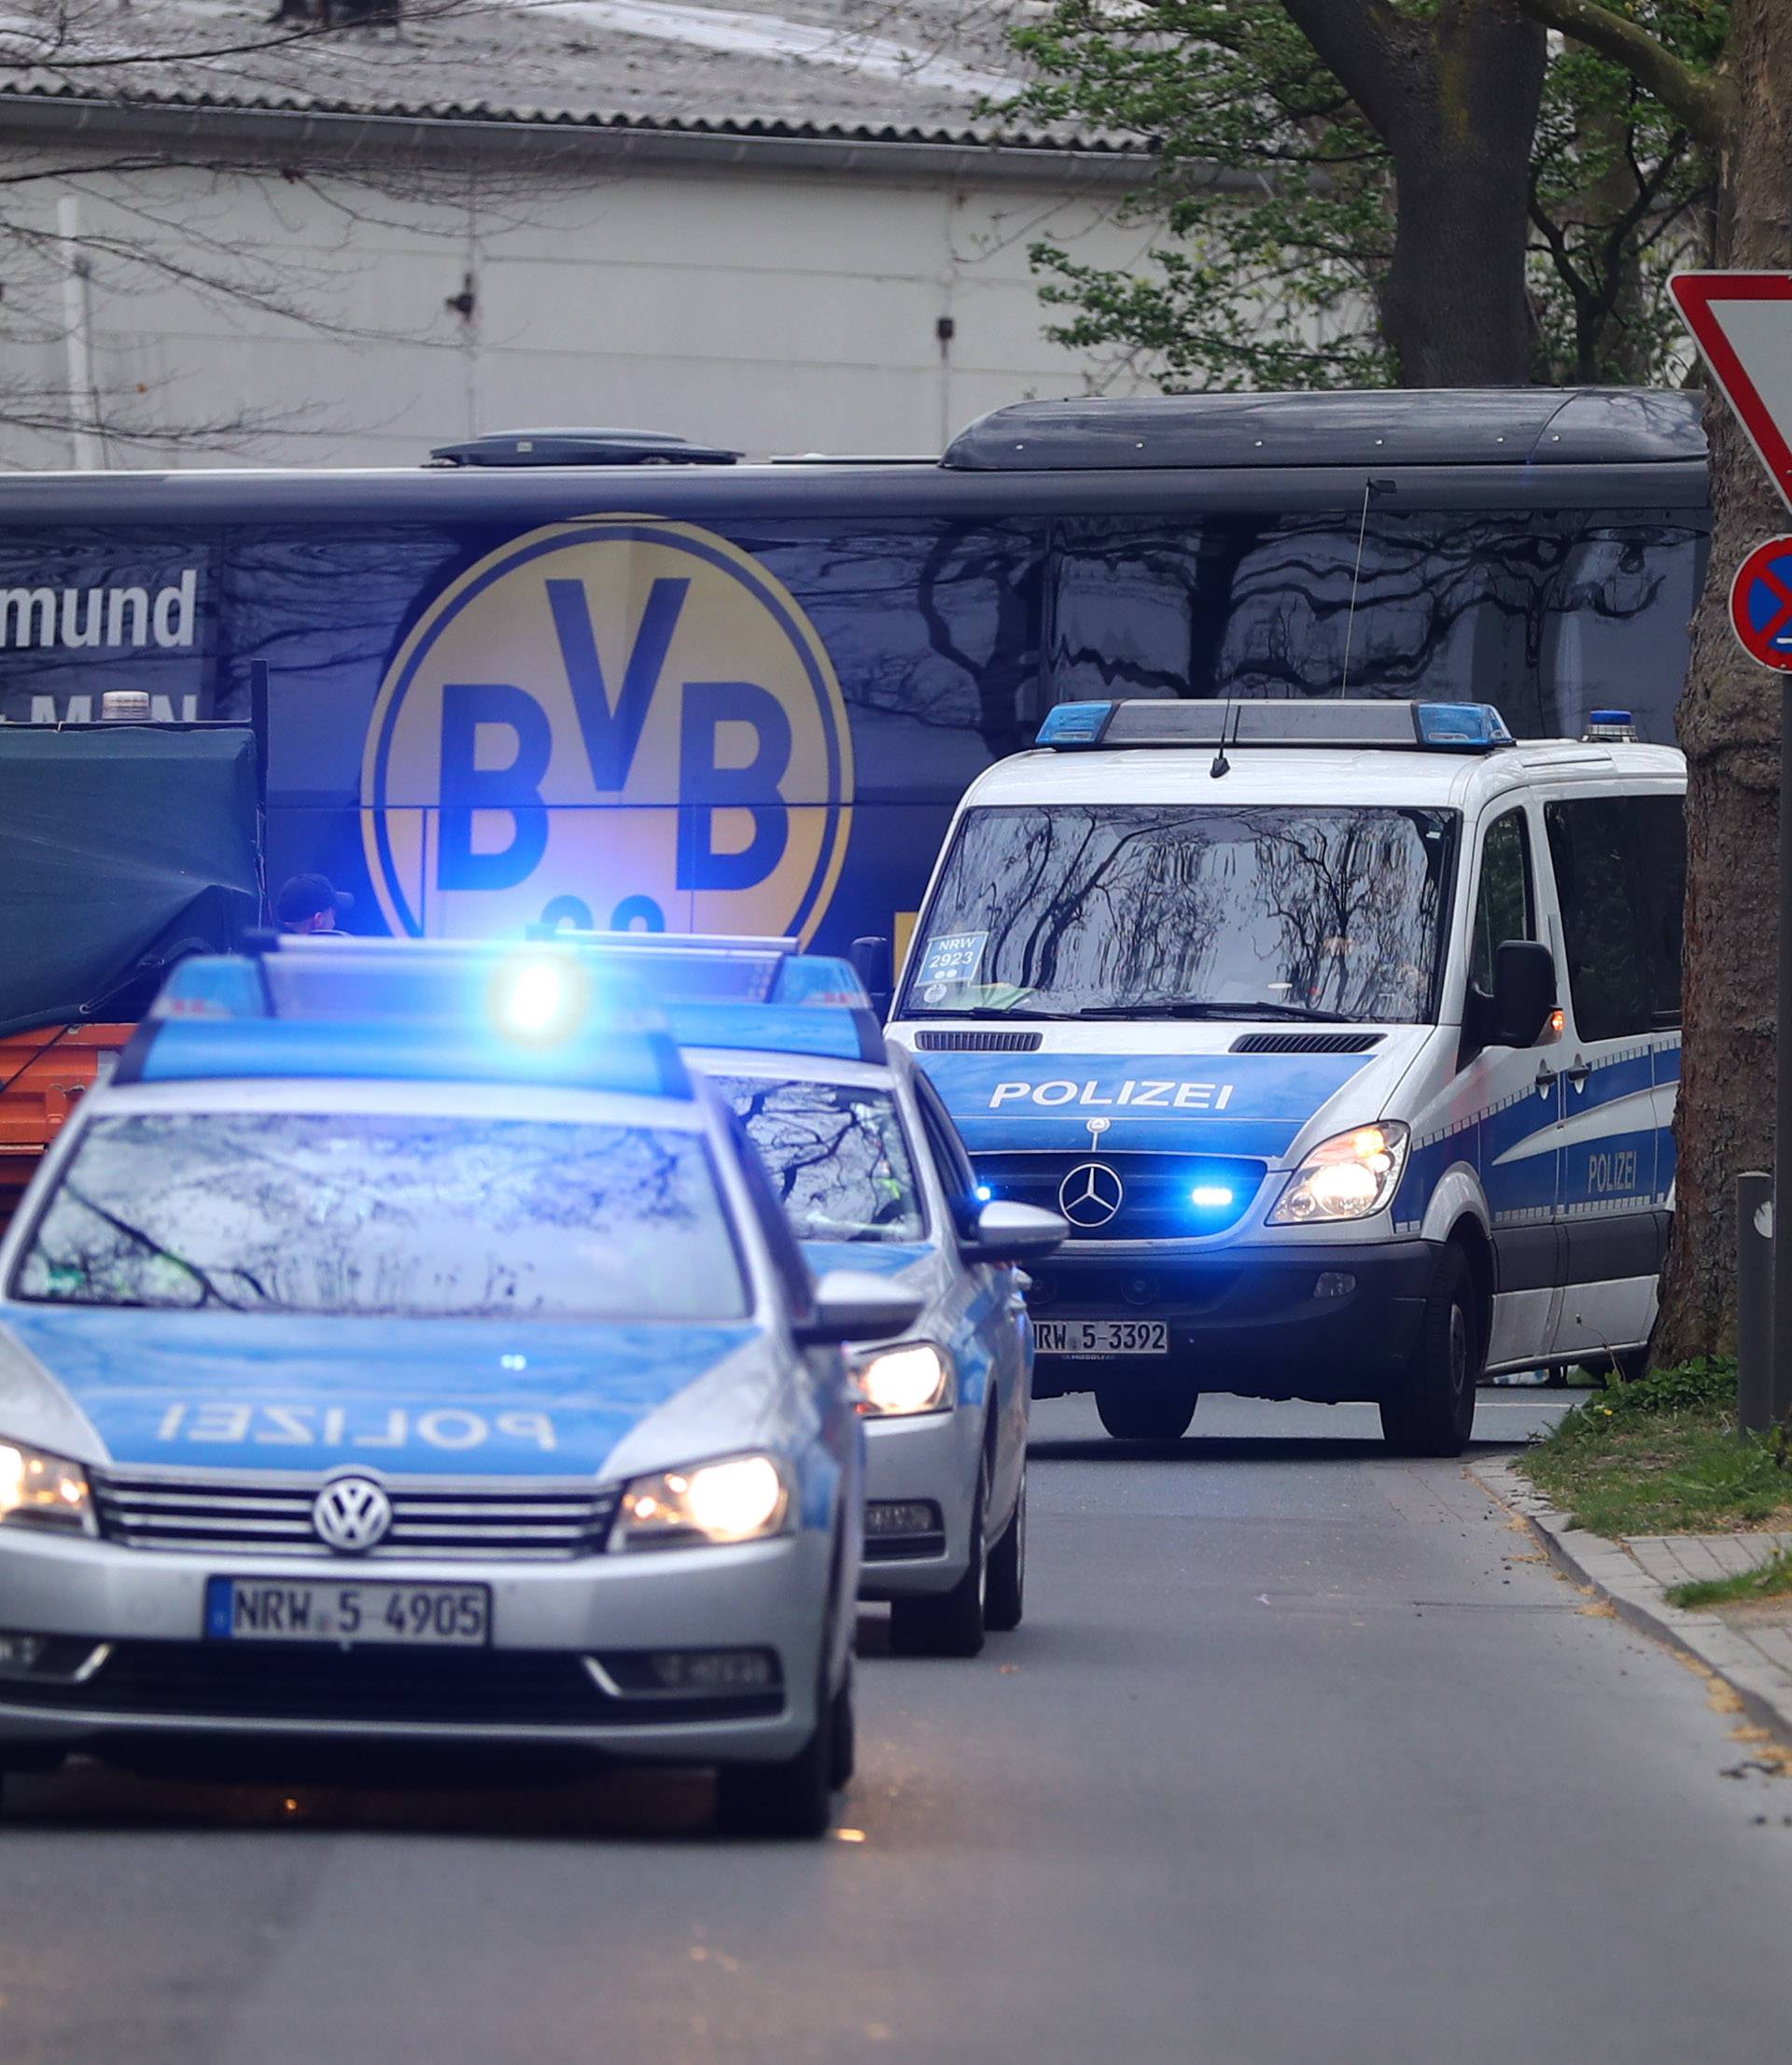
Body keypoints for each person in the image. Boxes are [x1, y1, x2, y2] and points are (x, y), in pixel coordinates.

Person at [275, 873, 353, 936]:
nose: (334, 923)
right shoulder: (337, 954)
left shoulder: (269, 952)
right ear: (318, 920)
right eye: (333, 916)